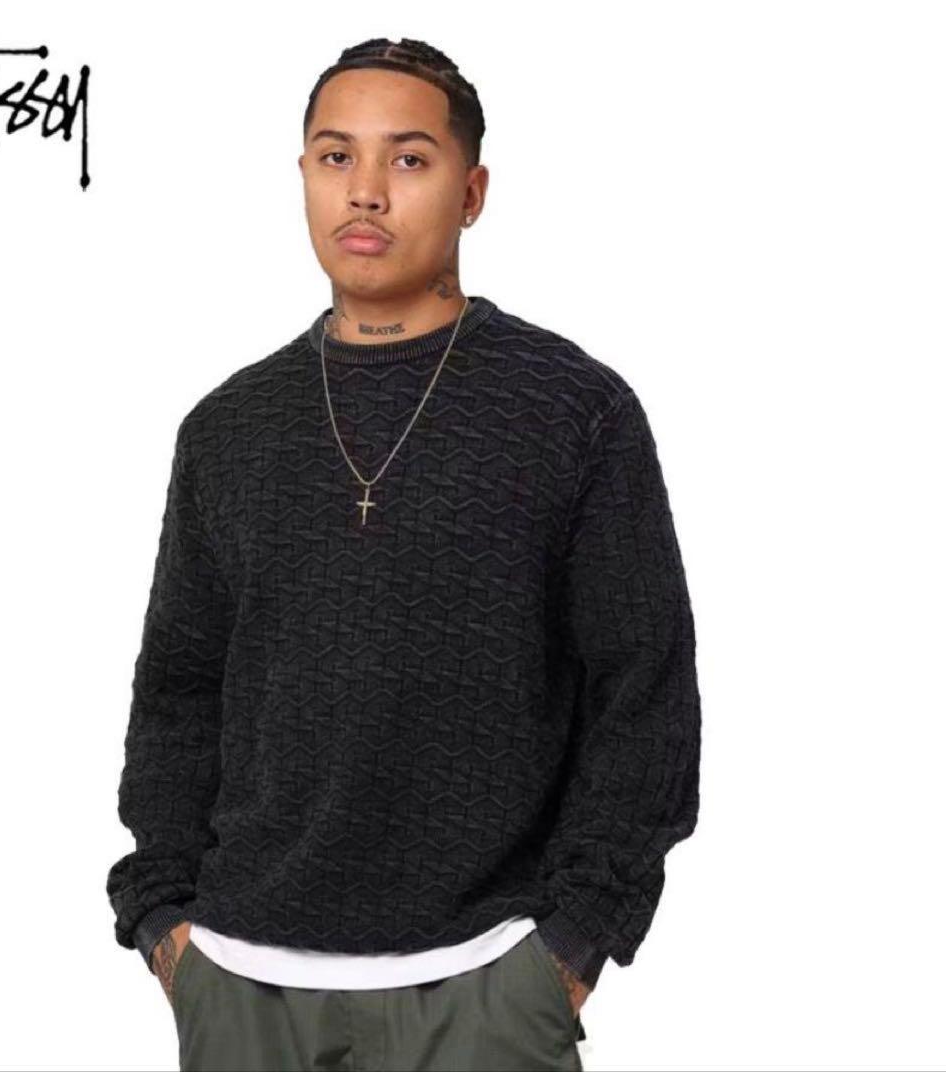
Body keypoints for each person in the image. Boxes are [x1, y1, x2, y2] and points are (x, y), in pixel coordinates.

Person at [106, 36, 701, 1072]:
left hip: (487, 982)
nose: (367, 191)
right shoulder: (228, 427)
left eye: (409, 158)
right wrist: (165, 923)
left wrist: (572, 946)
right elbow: (179, 689)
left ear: (472, 192)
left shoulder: (573, 411)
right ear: (303, 174)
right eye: (336, 156)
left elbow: (642, 690)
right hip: (240, 982)